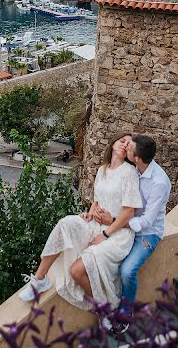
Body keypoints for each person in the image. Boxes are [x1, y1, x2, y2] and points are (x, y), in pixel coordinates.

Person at [19, 132, 142, 313]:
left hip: (117, 234)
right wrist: (90, 213)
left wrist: (105, 234)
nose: (125, 144)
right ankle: (39, 279)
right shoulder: (103, 170)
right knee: (66, 223)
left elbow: (130, 212)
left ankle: (104, 310)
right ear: (113, 142)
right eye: (122, 140)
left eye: (129, 144)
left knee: (76, 271)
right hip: (97, 224)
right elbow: (97, 199)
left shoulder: (129, 172)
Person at [93, 135, 171, 321]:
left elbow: (146, 222)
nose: (125, 146)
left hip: (147, 234)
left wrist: (112, 221)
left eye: (129, 147)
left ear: (136, 158)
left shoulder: (159, 183)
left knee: (127, 270)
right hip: (125, 226)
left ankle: (126, 311)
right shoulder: (135, 168)